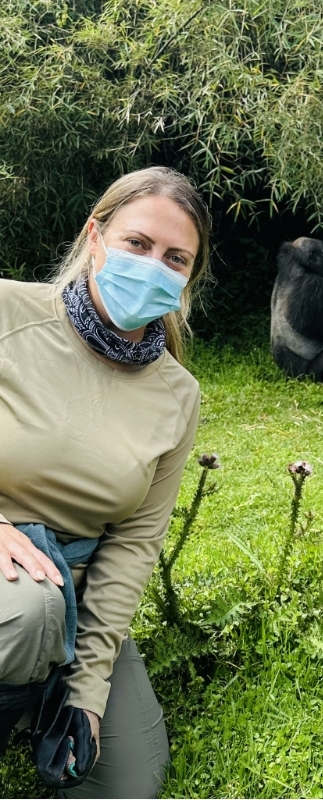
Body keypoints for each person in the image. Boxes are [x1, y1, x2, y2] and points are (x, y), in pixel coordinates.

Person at [0, 166, 207, 797]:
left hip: (73, 596)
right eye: (137, 244)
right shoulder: (8, 312)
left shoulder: (177, 395)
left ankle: (42, 687)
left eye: (175, 258)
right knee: (30, 611)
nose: (153, 266)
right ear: (96, 236)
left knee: (125, 782)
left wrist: (89, 690)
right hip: (21, 591)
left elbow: (131, 549)